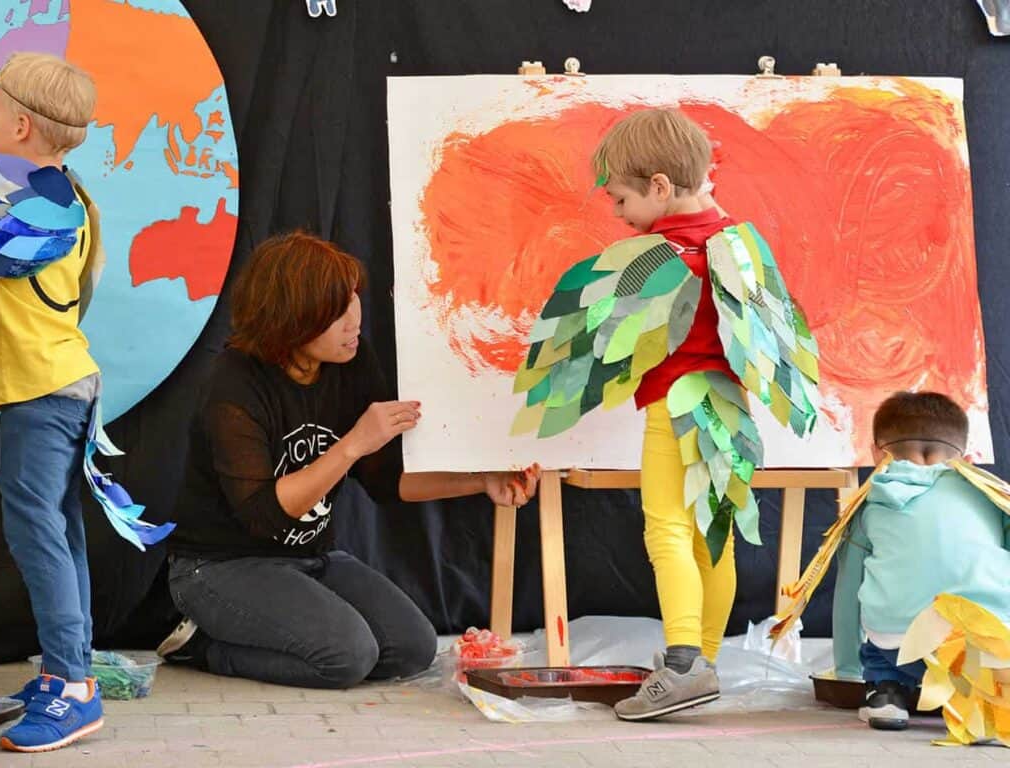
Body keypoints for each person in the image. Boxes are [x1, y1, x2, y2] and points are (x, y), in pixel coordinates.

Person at [514, 108, 820, 721]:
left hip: (675, 409)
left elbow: (596, 340)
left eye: (621, 198)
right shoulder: (741, 246)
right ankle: (703, 662)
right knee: (716, 537)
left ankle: (682, 666)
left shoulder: (654, 260)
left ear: (658, 186)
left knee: (669, 531)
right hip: (730, 413)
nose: (617, 213)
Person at [156, 232, 539, 689]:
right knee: (346, 657)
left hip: (310, 556)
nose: (353, 320)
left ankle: (286, 630)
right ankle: (203, 646)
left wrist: (482, 481)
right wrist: (354, 443)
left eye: (353, 299)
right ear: (292, 320)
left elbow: (386, 481)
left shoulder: (349, 361)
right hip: (220, 565)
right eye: (336, 312)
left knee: (413, 647)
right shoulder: (233, 381)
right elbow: (264, 514)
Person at [0, 52, 167, 753]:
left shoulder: (38, 200)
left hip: (44, 392)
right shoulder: (51, 192)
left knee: (38, 531)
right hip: (51, 385)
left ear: (18, 123)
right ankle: (66, 673)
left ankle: (72, 686)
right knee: (58, 528)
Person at [828, 392, 1010, 730]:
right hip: (985, 651)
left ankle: (885, 692)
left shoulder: (870, 503)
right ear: (968, 457)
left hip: (903, 650)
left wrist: (847, 671)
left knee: (880, 632)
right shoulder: (994, 498)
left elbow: (848, 591)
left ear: (877, 453)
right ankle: (984, 703)